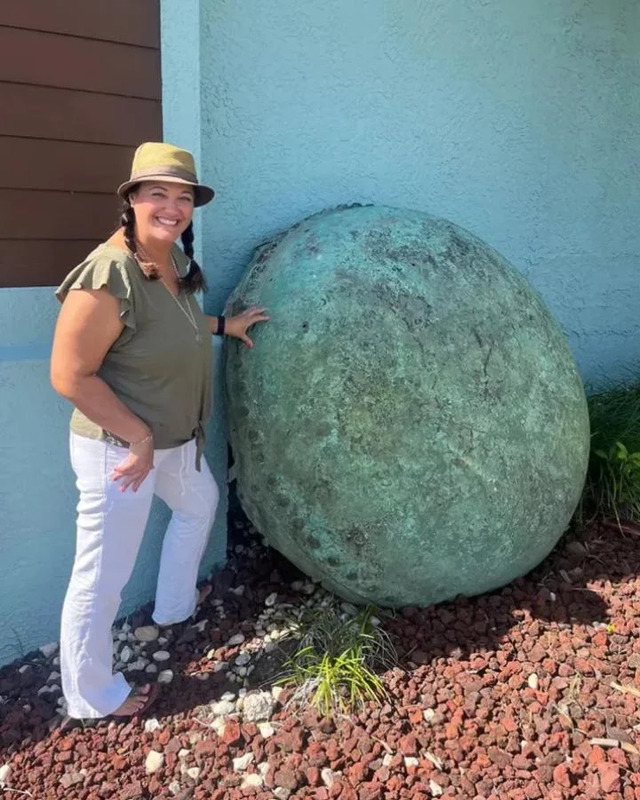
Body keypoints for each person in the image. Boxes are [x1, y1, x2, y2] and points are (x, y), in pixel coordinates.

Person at [50, 142, 268, 721]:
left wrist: (226, 324)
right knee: (102, 577)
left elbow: (177, 324)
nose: (172, 207)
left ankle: (172, 608)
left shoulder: (172, 260)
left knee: (200, 504)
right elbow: (69, 374)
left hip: (172, 439)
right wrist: (138, 438)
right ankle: (92, 696)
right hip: (120, 449)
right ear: (132, 200)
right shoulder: (108, 271)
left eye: (183, 197)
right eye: (158, 194)